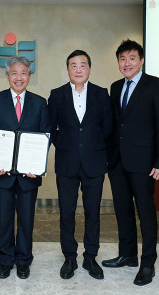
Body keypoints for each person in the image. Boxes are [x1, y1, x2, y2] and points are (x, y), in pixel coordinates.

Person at [103, 39, 159, 286]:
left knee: (146, 213)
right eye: (122, 59)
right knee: (122, 211)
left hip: (144, 163)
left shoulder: (154, 86)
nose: (127, 63)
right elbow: (114, 125)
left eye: (132, 58)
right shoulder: (114, 87)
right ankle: (128, 254)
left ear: (141, 60)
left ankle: (147, 263)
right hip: (118, 162)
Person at [0, 55, 51, 279]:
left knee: (26, 219)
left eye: (23, 73)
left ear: (29, 76)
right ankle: (5, 260)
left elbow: (45, 136)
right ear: (7, 76)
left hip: (28, 174)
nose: (19, 77)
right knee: (3, 219)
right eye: (14, 73)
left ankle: (23, 260)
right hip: (2, 174)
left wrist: (37, 164)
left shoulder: (40, 102)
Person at [48, 50, 113, 280]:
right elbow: (51, 128)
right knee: (66, 213)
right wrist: (66, 145)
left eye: (82, 65)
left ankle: (90, 257)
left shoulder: (101, 94)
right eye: (73, 65)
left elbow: (107, 127)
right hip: (66, 163)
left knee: (92, 212)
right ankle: (69, 257)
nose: (78, 69)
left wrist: (91, 146)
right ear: (68, 69)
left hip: (94, 163)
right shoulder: (56, 95)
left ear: (89, 69)